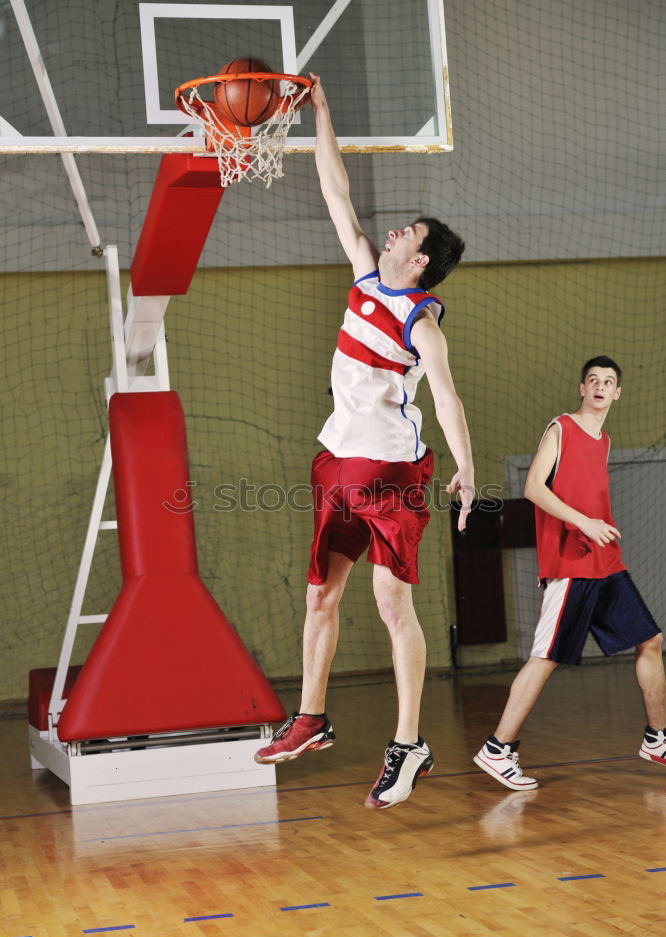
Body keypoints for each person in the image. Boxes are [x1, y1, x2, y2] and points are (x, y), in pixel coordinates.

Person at [254, 74, 475, 809]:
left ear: (421, 261)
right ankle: (312, 718)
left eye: (407, 233)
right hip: (336, 465)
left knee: (391, 608)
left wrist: (469, 466)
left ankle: (409, 746)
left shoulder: (422, 322)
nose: (393, 231)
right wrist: (321, 109)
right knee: (320, 599)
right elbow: (334, 191)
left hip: (392, 475)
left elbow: (444, 395)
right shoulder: (360, 279)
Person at [474, 356, 666, 791]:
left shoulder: (604, 440)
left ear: (617, 393)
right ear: (582, 388)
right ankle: (497, 748)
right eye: (593, 380)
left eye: (609, 382)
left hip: (606, 562)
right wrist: (584, 522)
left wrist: (596, 528)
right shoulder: (561, 428)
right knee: (545, 658)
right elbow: (533, 488)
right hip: (571, 565)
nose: (600, 386)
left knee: (650, 640)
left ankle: (658, 739)